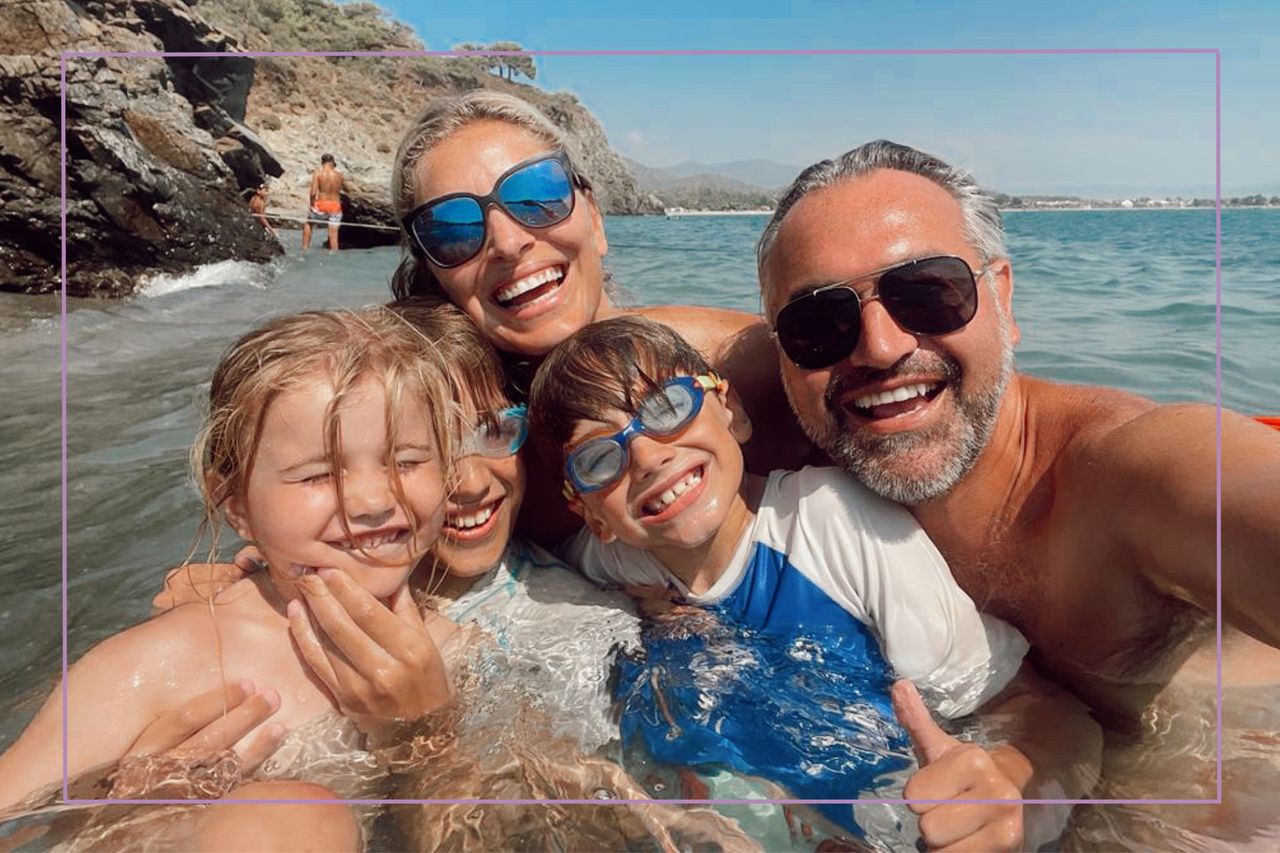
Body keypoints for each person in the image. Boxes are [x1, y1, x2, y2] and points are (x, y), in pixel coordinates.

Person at [757, 140, 1280, 840]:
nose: (878, 348)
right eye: (818, 322)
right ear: (782, 353)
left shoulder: (1130, 471)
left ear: (1001, 295)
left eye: (928, 292)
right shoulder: (809, 450)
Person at [528, 315, 1102, 850]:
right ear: (592, 516)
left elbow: (1042, 711)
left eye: (668, 406)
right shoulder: (615, 564)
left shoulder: (834, 524)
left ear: (732, 412)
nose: (648, 456)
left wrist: (1011, 796)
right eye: (600, 460)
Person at [0, 308, 460, 848]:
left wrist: (427, 736)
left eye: (406, 462)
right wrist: (109, 815)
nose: (374, 500)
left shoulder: (453, 650)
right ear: (235, 503)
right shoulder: (154, 664)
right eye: (316, 474)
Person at [389, 91, 813, 543]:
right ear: (434, 275)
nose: (508, 243)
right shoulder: (463, 458)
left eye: (535, 196)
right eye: (454, 230)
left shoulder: (750, 367)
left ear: (593, 217)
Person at [303, 153, 344, 251]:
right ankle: (334, 253)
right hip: (335, 206)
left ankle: (305, 248)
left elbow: (313, 192)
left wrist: (312, 203)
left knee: (309, 223)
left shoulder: (318, 173)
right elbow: (348, 189)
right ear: (332, 162)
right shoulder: (339, 175)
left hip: (321, 204)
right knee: (333, 234)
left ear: (323, 162)